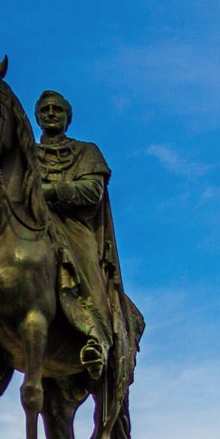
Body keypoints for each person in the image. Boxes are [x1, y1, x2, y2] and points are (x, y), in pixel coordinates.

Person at [32, 91, 145, 391]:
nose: (51, 113)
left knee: (84, 259)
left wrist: (53, 191)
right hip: (30, 222)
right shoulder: (24, 152)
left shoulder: (87, 152)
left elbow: (92, 191)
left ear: (68, 117)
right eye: (45, 110)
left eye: (57, 109)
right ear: (37, 117)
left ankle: (96, 333)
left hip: (72, 225)